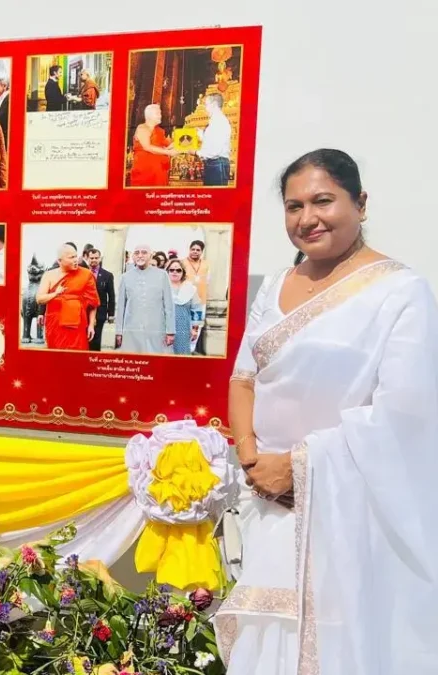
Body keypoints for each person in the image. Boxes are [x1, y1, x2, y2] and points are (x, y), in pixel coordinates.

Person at [216, 149, 438, 674]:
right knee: (267, 640)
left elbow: (404, 413)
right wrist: (252, 461)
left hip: (348, 511)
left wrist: (298, 465)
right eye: (293, 206)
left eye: (323, 201)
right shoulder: (275, 284)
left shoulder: (399, 291)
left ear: (360, 203)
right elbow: (244, 378)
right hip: (270, 505)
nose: (307, 218)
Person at [38, 243, 100, 350]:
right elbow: (39, 299)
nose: (76, 260)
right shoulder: (49, 275)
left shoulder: (86, 274)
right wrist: (55, 294)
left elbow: (93, 303)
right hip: (55, 325)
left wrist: (91, 325)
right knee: (56, 358)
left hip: (77, 325)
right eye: (71, 257)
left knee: (76, 359)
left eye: (76, 256)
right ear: (59, 261)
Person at [115, 245, 174, 354]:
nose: (140, 256)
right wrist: (119, 332)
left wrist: (170, 331)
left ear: (151, 256)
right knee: (134, 363)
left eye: (144, 252)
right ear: (133, 256)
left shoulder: (162, 275)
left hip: (156, 329)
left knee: (155, 363)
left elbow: (169, 305)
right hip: (132, 329)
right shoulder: (125, 277)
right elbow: (120, 307)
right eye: (137, 253)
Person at [130, 104, 178, 186]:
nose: (160, 116)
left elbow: (169, 145)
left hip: (160, 173)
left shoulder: (159, 131)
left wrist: (188, 140)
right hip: (145, 173)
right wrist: (168, 153)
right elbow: (147, 147)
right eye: (158, 113)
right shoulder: (142, 128)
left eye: (160, 113)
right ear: (149, 115)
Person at [197, 93, 232, 186]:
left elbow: (214, 151)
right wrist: (200, 134)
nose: (205, 108)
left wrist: (196, 152)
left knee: (216, 198)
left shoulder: (219, 121)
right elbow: (212, 141)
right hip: (214, 164)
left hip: (216, 164)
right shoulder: (215, 121)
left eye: (206, 105)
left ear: (213, 105)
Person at [165, 259, 198, 355]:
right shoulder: (162, 288)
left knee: (181, 357)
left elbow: (196, 310)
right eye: (172, 270)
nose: (175, 272)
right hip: (165, 329)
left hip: (184, 329)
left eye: (178, 270)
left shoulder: (190, 289)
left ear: (183, 272)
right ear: (167, 272)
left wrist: (195, 329)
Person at [86, 248, 115, 351]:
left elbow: (111, 295)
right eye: (91, 258)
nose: (94, 260)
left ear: (100, 258)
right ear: (87, 258)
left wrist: (111, 314)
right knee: (84, 339)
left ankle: (94, 360)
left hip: (100, 312)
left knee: (96, 340)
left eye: (96, 258)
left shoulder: (107, 275)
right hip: (84, 312)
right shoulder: (82, 273)